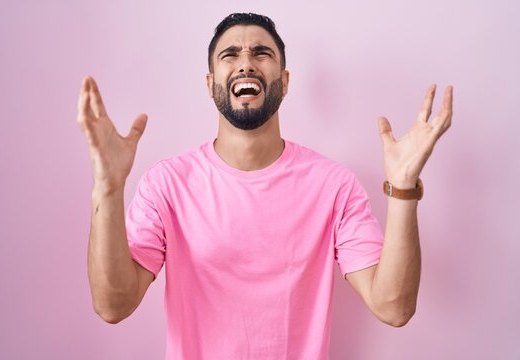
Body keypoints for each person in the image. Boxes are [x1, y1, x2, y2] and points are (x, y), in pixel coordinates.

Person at [77, 12, 453, 360]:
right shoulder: (167, 185)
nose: (245, 63)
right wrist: (108, 188)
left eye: (261, 52)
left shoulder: (333, 185)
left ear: (284, 81)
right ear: (211, 84)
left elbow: (393, 306)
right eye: (230, 54)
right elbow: (113, 305)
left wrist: (403, 188)